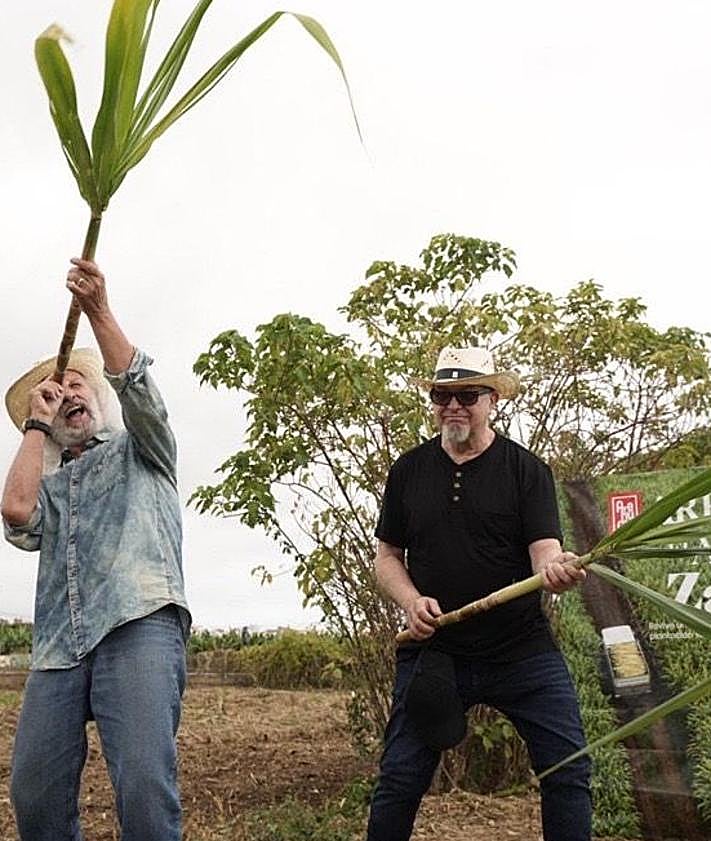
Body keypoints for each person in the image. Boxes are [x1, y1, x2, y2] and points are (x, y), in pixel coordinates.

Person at [366, 346, 591, 841]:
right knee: (400, 779)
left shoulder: (527, 470)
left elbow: (545, 550)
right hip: (436, 650)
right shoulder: (409, 470)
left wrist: (554, 569)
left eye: (467, 395)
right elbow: (387, 557)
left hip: (521, 650)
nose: (453, 406)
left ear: (492, 400)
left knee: (569, 771)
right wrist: (410, 602)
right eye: (442, 396)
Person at [1, 258, 191, 841]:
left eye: (77, 385)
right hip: (60, 646)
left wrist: (99, 311)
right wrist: (37, 424)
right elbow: (15, 512)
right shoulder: (52, 486)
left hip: (138, 623)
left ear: (99, 398)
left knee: (141, 785)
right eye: (55, 398)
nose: (68, 397)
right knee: (33, 793)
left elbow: (139, 388)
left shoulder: (143, 447)